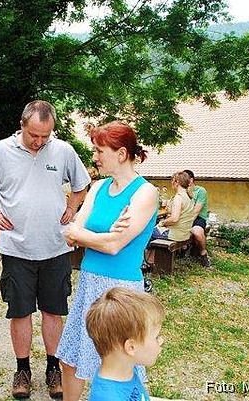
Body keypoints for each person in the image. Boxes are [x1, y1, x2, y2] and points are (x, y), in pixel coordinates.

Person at [0, 100, 91, 399]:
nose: (39, 141)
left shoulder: (63, 150)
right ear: (21, 125)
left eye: (45, 136)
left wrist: (72, 207)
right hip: (16, 248)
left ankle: (53, 368)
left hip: (55, 247)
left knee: (54, 311)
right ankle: (22, 369)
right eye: (33, 135)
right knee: (20, 312)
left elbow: (82, 184)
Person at [56, 121, 158, 401]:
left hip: (121, 291)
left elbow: (113, 246)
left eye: (100, 151)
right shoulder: (99, 186)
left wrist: (88, 236)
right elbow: (71, 234)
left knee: (121, 364)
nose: (95, 157)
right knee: (70, 359)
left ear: (121, 154)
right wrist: (100, 236)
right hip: (89, 283)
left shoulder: (145, 192)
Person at [86, 287, 165, 401]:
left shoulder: (126, 370)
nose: (161, 341)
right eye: (156, 337)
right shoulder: (108, 398)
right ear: (131, 347)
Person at [183, 169, 211, 268]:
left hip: (198, 218)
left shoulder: (200, 191)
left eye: (184, 179)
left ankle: (203, 253)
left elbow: (196, 211)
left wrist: (186, 224)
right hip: (185, 218)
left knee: (197, 232)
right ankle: (184, 250)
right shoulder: (183, 191)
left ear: (191, 180)